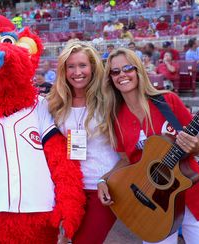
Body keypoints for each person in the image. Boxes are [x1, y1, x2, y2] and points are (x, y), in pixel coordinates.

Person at [98, 47, 199, 244]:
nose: (122, 75)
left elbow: (198, 146)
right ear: (110, 77)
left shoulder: (168, 101)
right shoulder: (115, 119)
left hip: (194, 197)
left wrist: (194, 145)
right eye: (115, 71)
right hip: (153, 206)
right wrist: (103, 181)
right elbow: (125, 160)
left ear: (138, 70)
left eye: (128, 68)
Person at [48, 41, 120, 244]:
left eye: (82, 65)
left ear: (93, 67)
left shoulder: (110, 99)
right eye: (71, 66)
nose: (77, 72)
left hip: (104, 187)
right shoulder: (56, 102)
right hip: (70, 190)